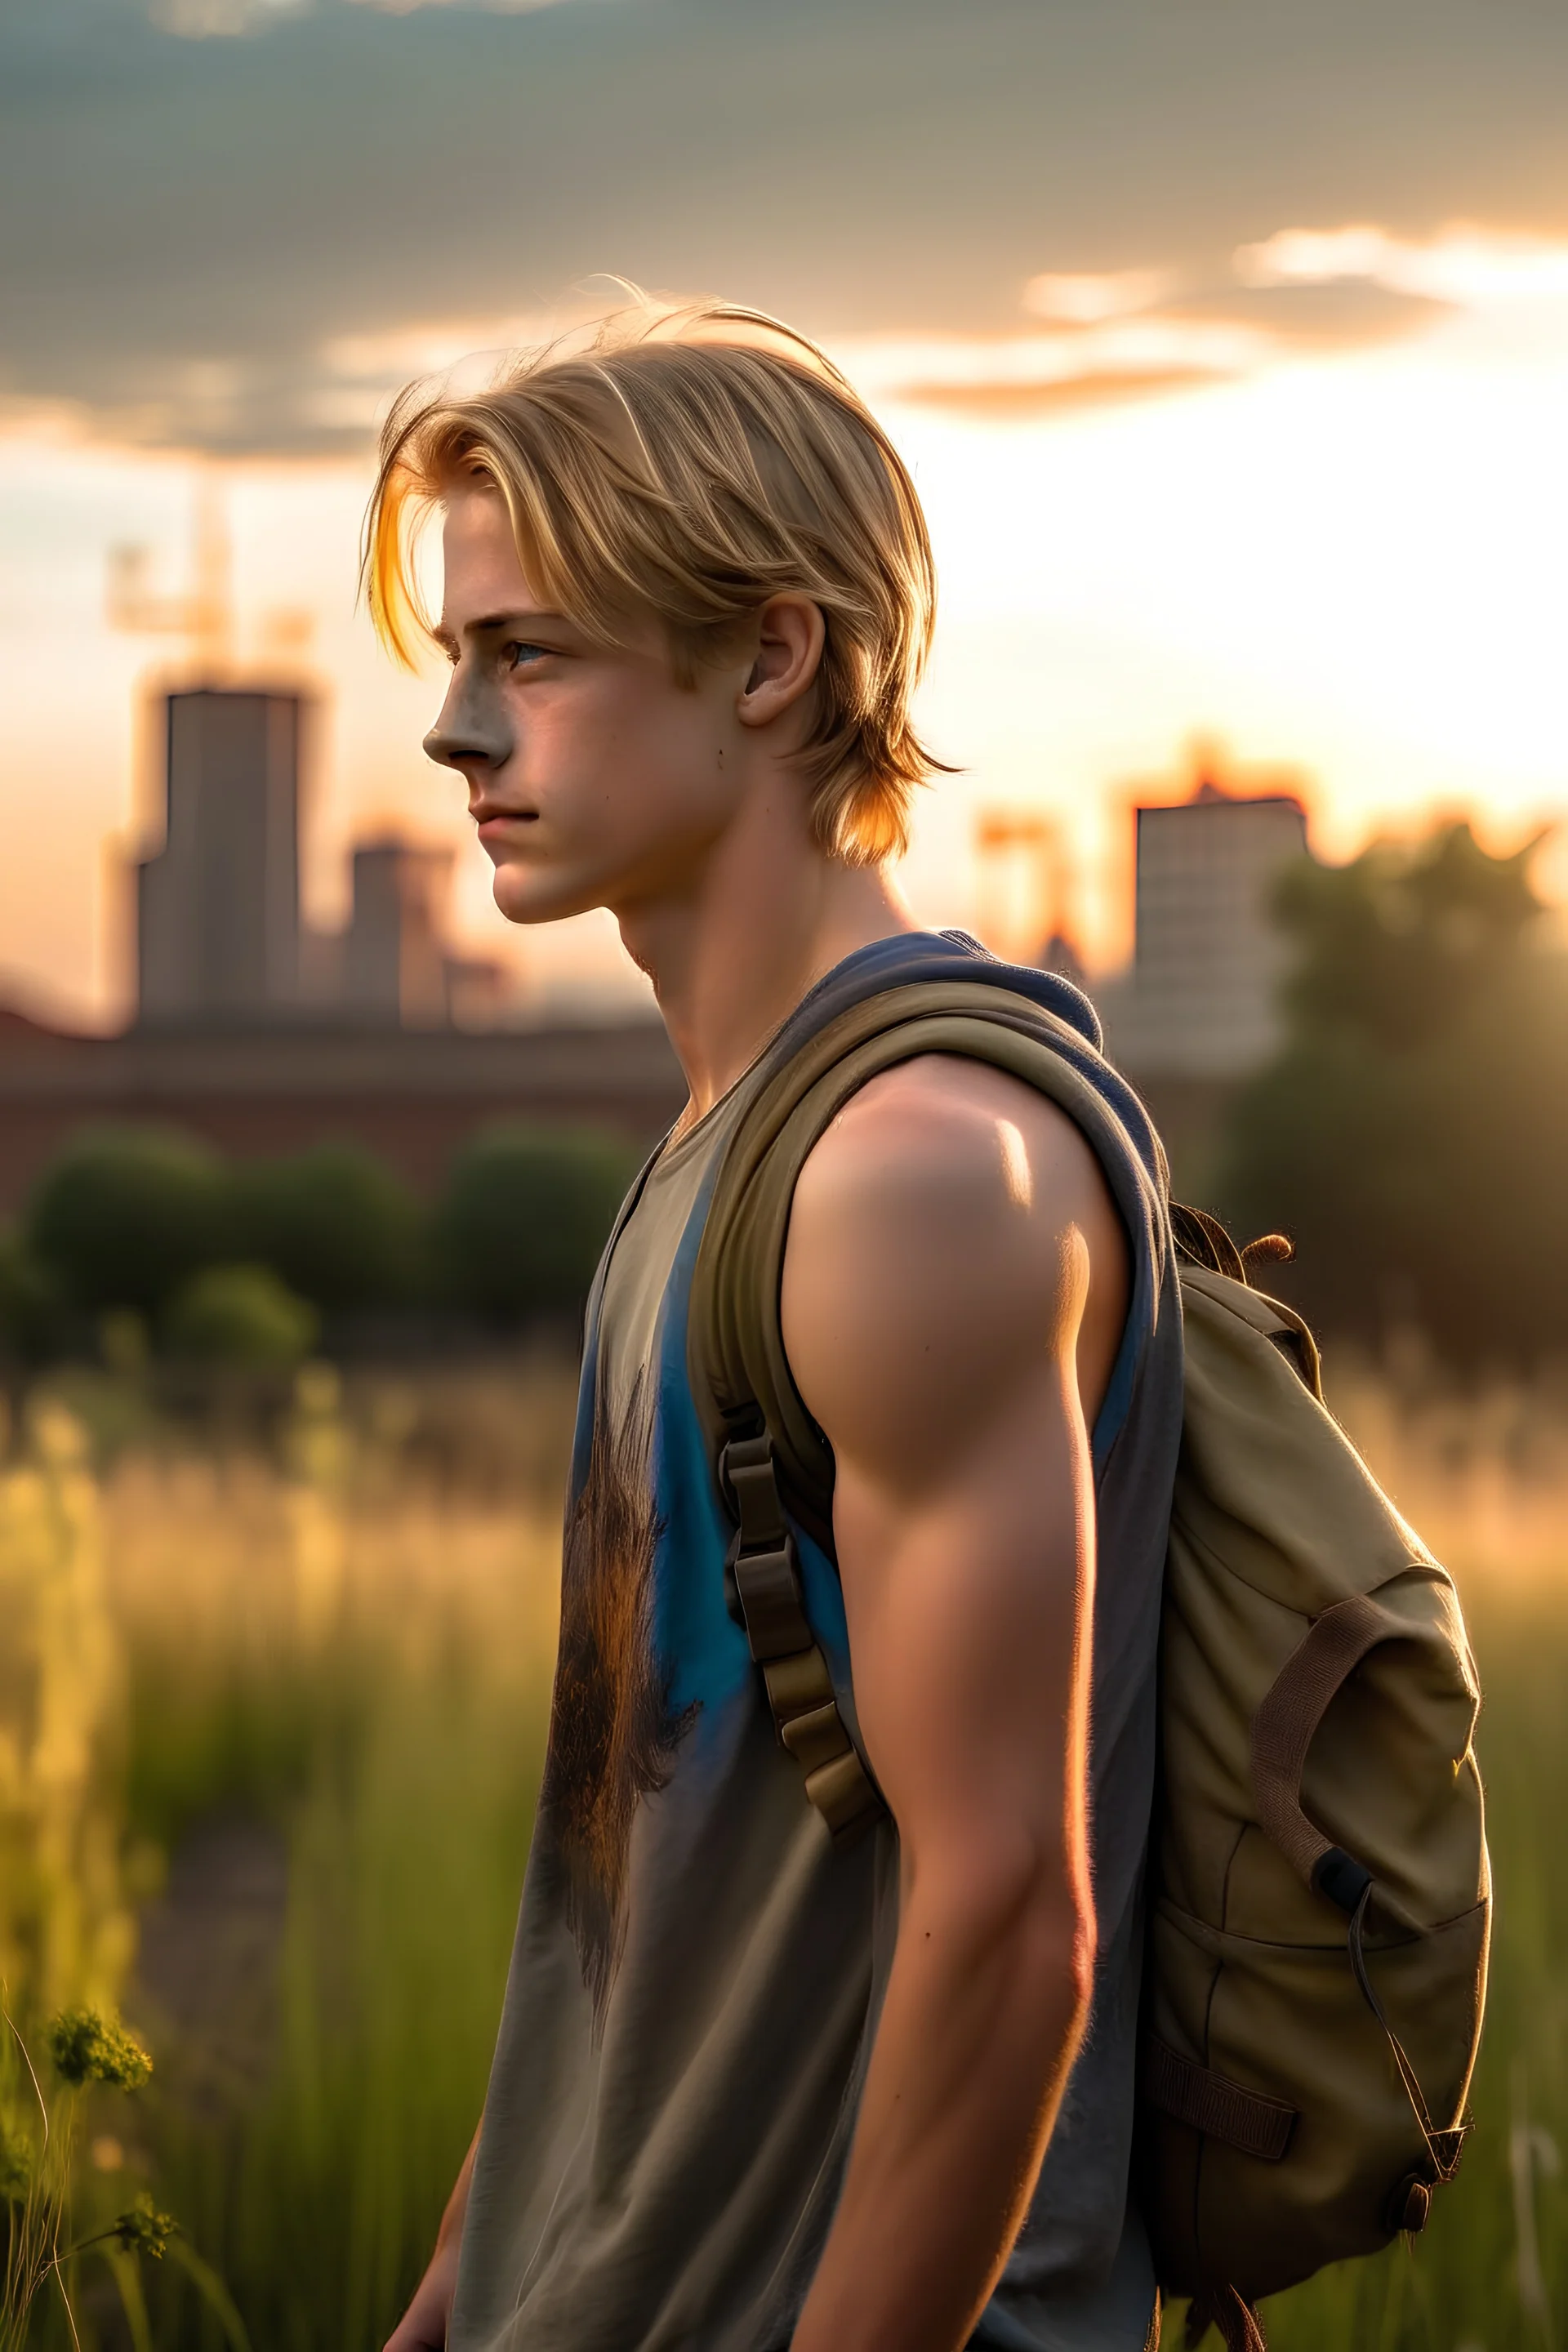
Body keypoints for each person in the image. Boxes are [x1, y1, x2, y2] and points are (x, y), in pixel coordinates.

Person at [371, 300, 1183, 2352]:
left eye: (526, 655)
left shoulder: (907, 1176)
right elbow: (625, 1868)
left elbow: (1013, 1927)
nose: (459, 732)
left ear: (768, 652)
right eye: (460, 658)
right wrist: (475, 2276)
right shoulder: (723, 1155)